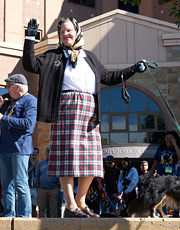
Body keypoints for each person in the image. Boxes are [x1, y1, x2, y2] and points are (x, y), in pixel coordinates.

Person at [22, 17, 147, 218]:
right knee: (66, 159)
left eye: (69, 30)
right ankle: (71, 206)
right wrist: (30, 38)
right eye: (62, 32)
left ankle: (81, 202)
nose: (65, 34)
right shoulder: (53, 55)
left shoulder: (89, 57)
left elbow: (108, 77)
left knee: (92, 160)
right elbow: (29, 65)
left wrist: (133, 69)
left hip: (89, 112)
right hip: (65, 109)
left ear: (77, 31)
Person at [0, 74, 37, 218]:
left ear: (17, 87)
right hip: (6, 148)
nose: (6, 89)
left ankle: (24, 217)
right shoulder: (12, 102)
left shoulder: (30, 100)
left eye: (8, 86)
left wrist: (2, 117)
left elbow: (28, 124)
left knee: (21, 184)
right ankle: (8, 215)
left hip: (20, 149)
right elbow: (4, 126)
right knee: (6, 186)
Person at [35, 147, 59, 218]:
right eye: (48, 152)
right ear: (45, 153)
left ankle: (53, 226)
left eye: (51, 152)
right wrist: (38, 189)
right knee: (41, 209)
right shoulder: (40, 164)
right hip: (42, 189)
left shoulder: (56, 164)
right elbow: (37, 177)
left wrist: (57, 188)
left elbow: (59, 178)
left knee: (53, 209)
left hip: (53, 189)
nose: (49, 153)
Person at [28, 148, 39, 217]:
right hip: (28, 187)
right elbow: (25, 173)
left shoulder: (40, 164)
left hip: (36, 188)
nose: (34, 154)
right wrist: (33, 166)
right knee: (27, 206)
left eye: (36, 153)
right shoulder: (27, 163)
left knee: (34, 207)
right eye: (33, 152)